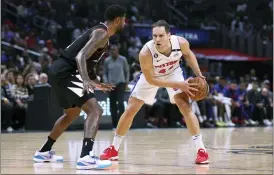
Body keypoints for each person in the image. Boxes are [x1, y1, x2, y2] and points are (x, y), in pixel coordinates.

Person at [100, 20, 209, 164]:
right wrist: (179, 85)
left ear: (169, 35)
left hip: (173, 72)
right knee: (131, 108)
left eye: (161, 35)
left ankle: (201, 151)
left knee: (185, 106)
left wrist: (199, 75)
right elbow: (151, 80)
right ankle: (113, 149)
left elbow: (189, 56)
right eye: (154, 36)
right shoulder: (146, 52)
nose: (157, 39)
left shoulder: (181, 43)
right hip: (152, 77)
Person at [32, 4, 127, 170]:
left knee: (72, 114)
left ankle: (43, 151)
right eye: (124, 20)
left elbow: (87, 62)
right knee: (95, 110)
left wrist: (96, 82)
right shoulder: (102, 33)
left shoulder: (102, 34)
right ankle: (85, 156)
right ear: (118, 19)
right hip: (67, 72)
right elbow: (80, 56)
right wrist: (84, 80)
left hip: (59, 71)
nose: (125, 23)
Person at [103, 45, 129, 129]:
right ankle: (114, 124)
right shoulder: (107, 61)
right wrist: (106, 83)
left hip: (121, 83)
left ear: (118, 51)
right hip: (111, 85)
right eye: (112, 50)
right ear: (110, 51)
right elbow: (104, 73)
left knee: (121, 104)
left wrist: (126, 82)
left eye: (115, 50)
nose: (113, 51)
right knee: (112, 105)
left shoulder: (123, 59)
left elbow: (127, 72)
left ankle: (121, 124)